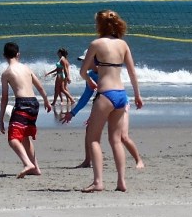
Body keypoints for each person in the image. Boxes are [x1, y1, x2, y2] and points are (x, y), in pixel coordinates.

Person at [79, 10, 143, 193]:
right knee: (116, 140)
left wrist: (89, 80)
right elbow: (132, 73)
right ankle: (121, 181)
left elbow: (83, 71)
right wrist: (138, 95)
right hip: (121, 95)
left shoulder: (96, 43)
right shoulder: (123, 44)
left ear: (99, 25)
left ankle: (98, 181)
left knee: (93, 139)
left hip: (105, 94)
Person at [61, 50, 144, 170]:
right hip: (105, 103)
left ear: (93, 59)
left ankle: (139, 160)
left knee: (123, 136)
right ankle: (87, 160)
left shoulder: (106, 71)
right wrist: (73, 113)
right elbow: (86, 96)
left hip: (121, 103)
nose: (83, 62)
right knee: (90, 129)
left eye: (85, 60)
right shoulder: (90, 75)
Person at [0, 42, 52, 177]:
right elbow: (39, 87)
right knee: (25, 136)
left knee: (13, 138)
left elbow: (4, 98)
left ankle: (27, 163)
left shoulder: (6, 74)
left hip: (22, 104)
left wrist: (0, 119)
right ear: (18, 54)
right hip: (34, 104)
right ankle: (36, 168)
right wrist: (46, 100)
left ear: (4, 56)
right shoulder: (26, 68)